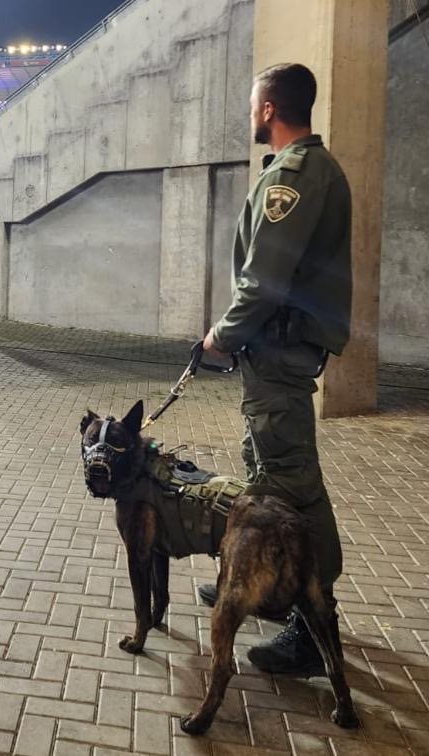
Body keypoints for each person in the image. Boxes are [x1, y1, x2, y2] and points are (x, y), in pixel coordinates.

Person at [201, 63, 352, 677]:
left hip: (279, 350)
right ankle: (257, 585)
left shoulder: (296, 174)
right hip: (277, 351)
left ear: (268, 109)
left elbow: (263, 278)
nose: (250, 112)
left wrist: (219, 335)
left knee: (291, 484)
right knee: (268, 474)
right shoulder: (305, 170)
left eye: (252, 102)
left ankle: (314, 621)